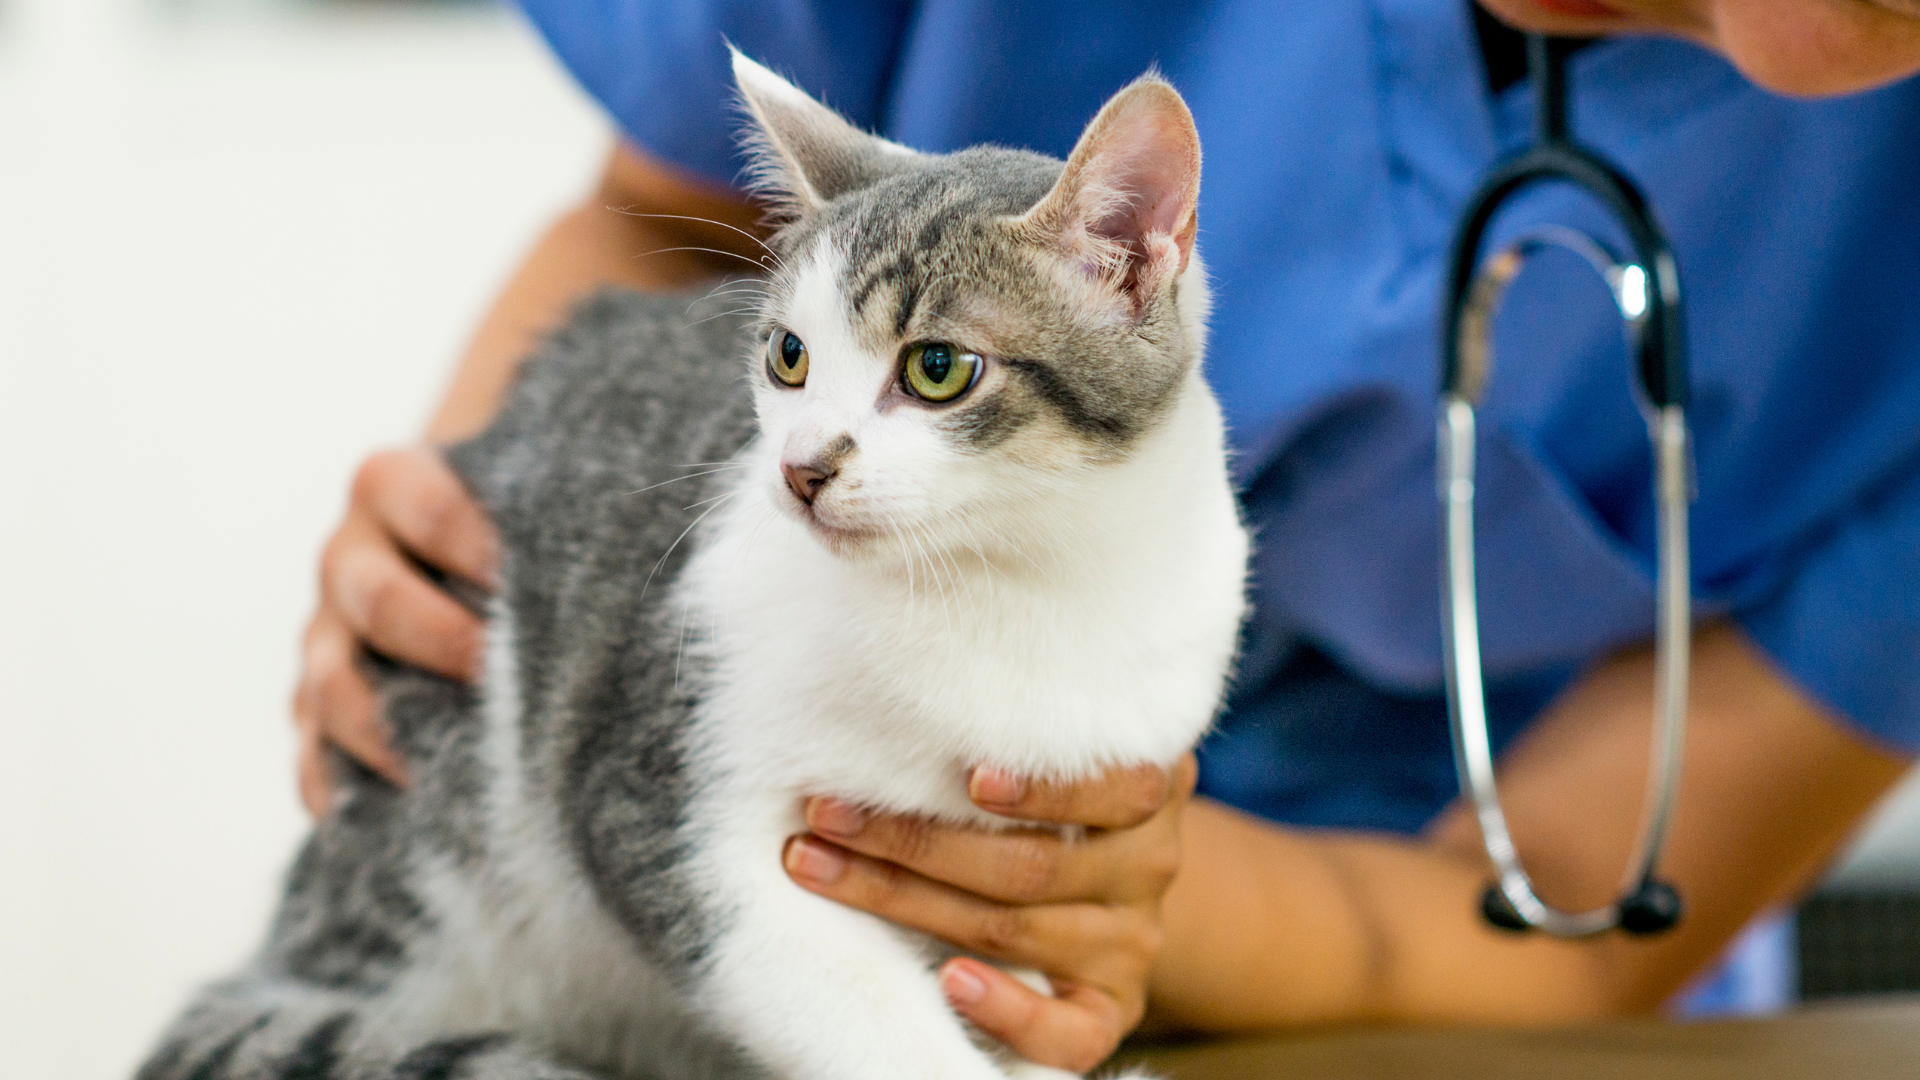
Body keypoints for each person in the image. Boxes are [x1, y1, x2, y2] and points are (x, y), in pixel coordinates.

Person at [293, 1, 1920, 1072]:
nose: (1773, 42)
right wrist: (475, 560)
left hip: (1431, 993)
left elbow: (1574, 925)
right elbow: (657, 236)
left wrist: (1079, 888)